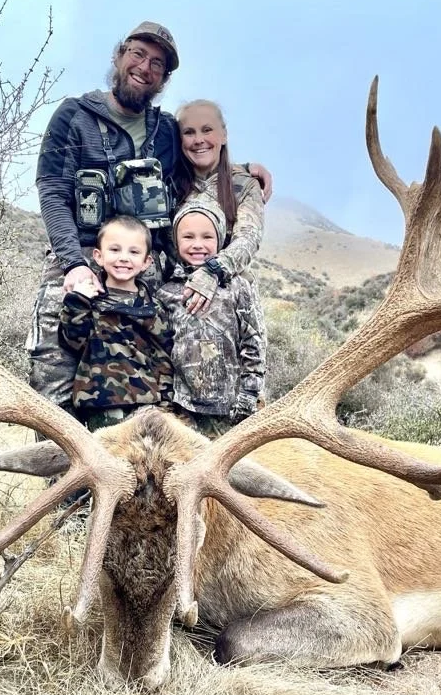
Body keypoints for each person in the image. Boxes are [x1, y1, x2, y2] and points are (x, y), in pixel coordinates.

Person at [28, 21, 272, 412]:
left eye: (158, 63)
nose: (145, 67)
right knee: (55, 390)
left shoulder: (165, 131)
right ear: (119, 56)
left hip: (145, 275)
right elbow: (53, 191)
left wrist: (243, 170)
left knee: (140, 394)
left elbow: (201, 159)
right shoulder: (74, 116)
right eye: (138, 54)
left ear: (164, 79)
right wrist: (74, 264)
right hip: (81, 263)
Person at [156, 195, 266, 437]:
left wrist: (249, 395)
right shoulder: (167, 291)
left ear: (220, 239)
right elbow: (162, 352)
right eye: (188, 237)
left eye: (207, 237)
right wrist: (166, 400)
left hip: (233, 410)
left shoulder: (238, 286)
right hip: (184, 411)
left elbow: (254, 343)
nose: (198, 244)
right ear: (175, 241)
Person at [58, 216, 173, 431]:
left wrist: (166, 403)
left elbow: (164, 358)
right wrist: (77, 302)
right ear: (98, 256)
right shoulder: (85, 300)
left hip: (146, 406)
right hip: (100, 405)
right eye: (115, 250)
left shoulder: (155, 307)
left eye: (134, 252)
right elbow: (73, 341)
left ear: (147, 262)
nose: (124, 258)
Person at [170, 99, 266, 317]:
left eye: (207, 130)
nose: (199, 140)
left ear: (224, 135)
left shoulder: (245, 185)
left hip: (228, 296)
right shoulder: (169, 185)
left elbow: (249, 238)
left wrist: (213, 271)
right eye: (189, 132)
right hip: (176, 297)